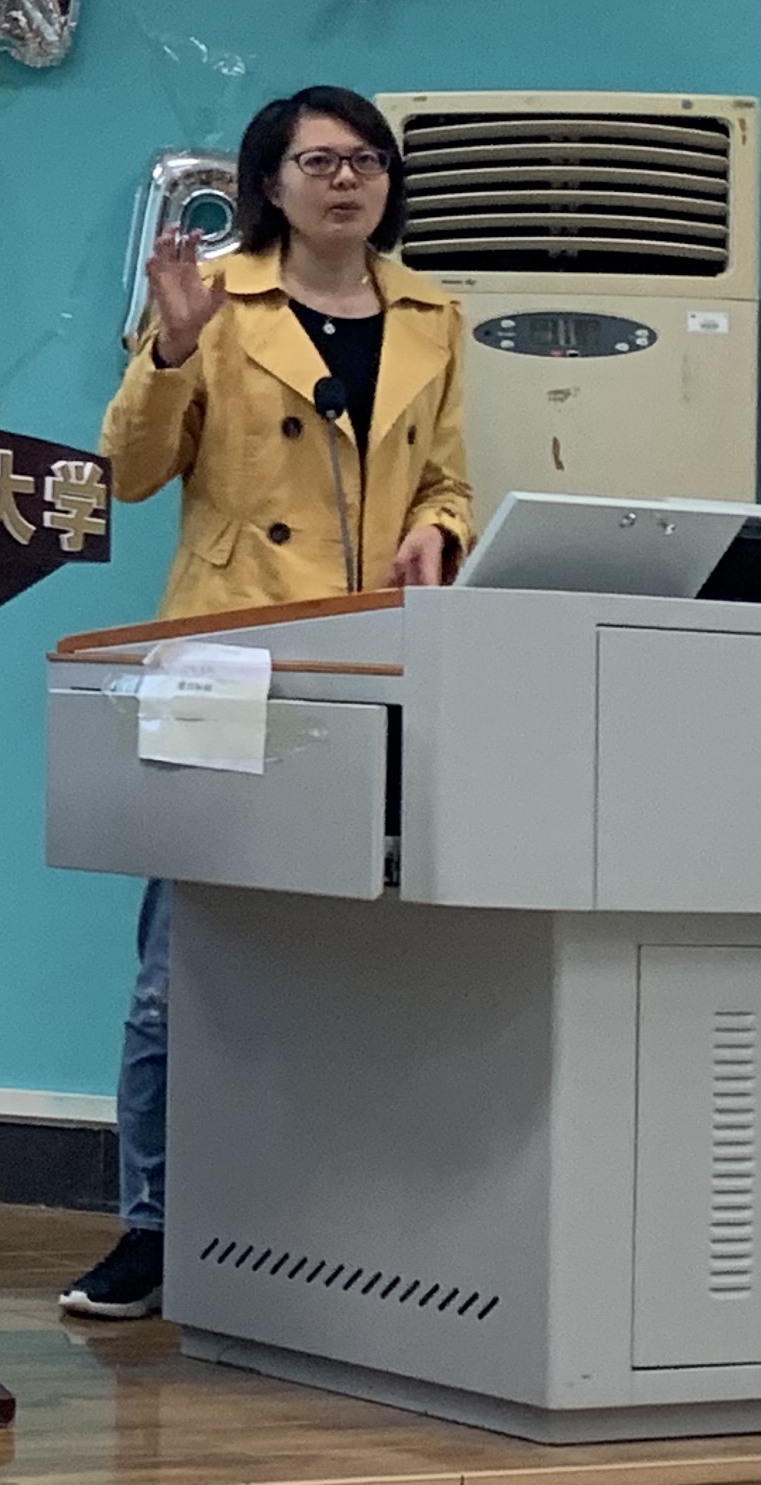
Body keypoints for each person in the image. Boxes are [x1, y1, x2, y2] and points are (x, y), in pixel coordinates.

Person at [58, 85, 476, 1323]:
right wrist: (171, 351)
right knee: (178, 970)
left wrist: (441, 532)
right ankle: (153, 1226)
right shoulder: (218, 303)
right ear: (271, 183)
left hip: (370, 663)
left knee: (347, 954)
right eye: (319, 162)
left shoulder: (433, 315)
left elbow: (449, 480)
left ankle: (318, 1222)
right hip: (225, 655)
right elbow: (130, 472)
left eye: (366, 161)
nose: (347, 181)